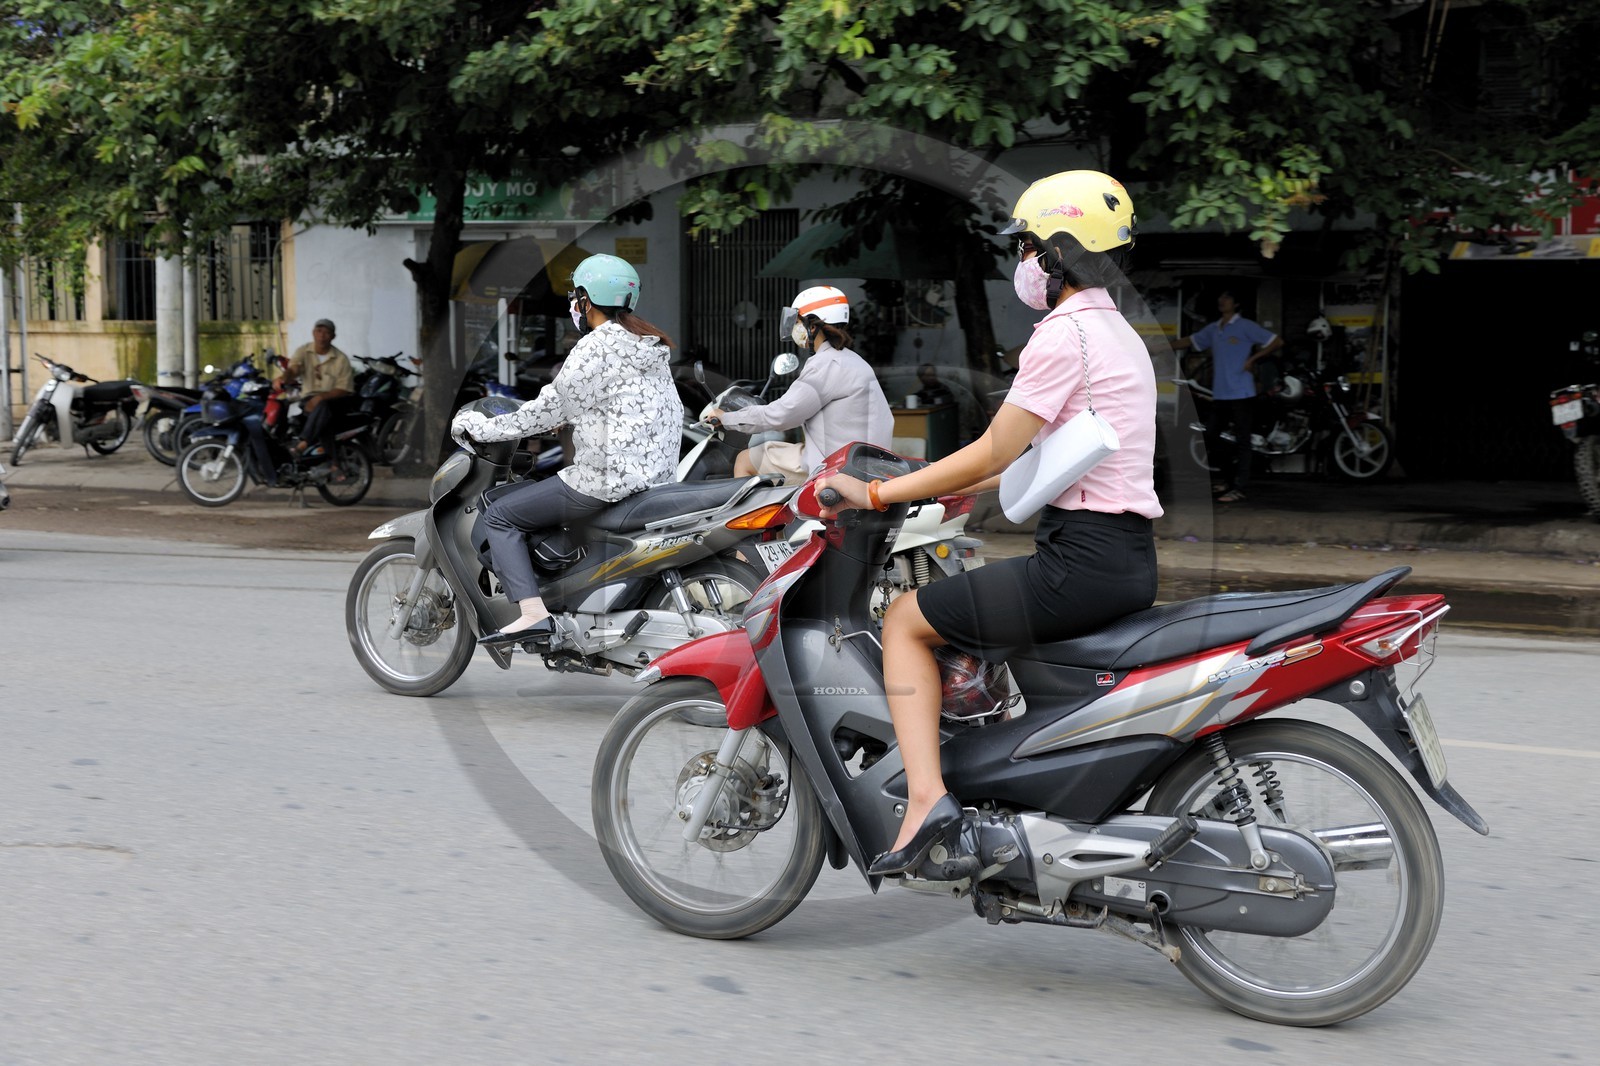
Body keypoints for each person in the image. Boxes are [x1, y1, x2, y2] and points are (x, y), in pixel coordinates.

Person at [817, 170, 1161, 879]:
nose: (1022, 262)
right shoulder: (1118, 333)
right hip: (1124, 559)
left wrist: (877, 495)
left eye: (1028, 247)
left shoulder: (1064, 334)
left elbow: (996, 448)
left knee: (906, 620)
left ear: (1060, 251)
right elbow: (1040, 460)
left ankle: (925, 802)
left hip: (1078, 564)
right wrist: (935, 487)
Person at [450, 254, 684, 644]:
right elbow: (625, 405)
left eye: (576, 295)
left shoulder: (596, 346)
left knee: (501, 516)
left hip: (605, 480)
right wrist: (575, 416)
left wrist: (479, 428)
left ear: (587, 299)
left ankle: (532, 613)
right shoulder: (647, 346)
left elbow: (545, 410)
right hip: (655, 478)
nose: (574, 304)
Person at [708, 285, 893, 483]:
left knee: (745, 460)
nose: (795, 328)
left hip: (835, 465)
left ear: (812, 327)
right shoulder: (853, 360)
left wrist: (727, 418)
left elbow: (782, 415)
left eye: (797, 322)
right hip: (863, 463)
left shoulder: (825, 365)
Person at [1170, 291, 1282, 502]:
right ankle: (1229, 480)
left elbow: (1276, 341)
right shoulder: (1214, 328)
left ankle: (1239, 487)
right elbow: (1190, 341)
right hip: (1221, 394)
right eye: (1220, 298)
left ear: (1236, 303)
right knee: (1211, 437)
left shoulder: (1245, 326)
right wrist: (1159, 347)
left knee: (1243, 441)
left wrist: (1253, 359)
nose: (1222, 301)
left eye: (1227, 298)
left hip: (1242, 393)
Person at [278, 318, 355, 463]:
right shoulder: (303, 351)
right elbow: (294, 369)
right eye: (319, 331)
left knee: (323, 406)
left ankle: (303, 443)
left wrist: (320, 398)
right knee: (321, 420)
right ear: (313, 333)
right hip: (309, 400)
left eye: (327, 332)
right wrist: (284, 377)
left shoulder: (340, 359)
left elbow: (344, 388)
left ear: (333, 336)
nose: (322, 335)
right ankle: (334, 464)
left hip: (336, 400)